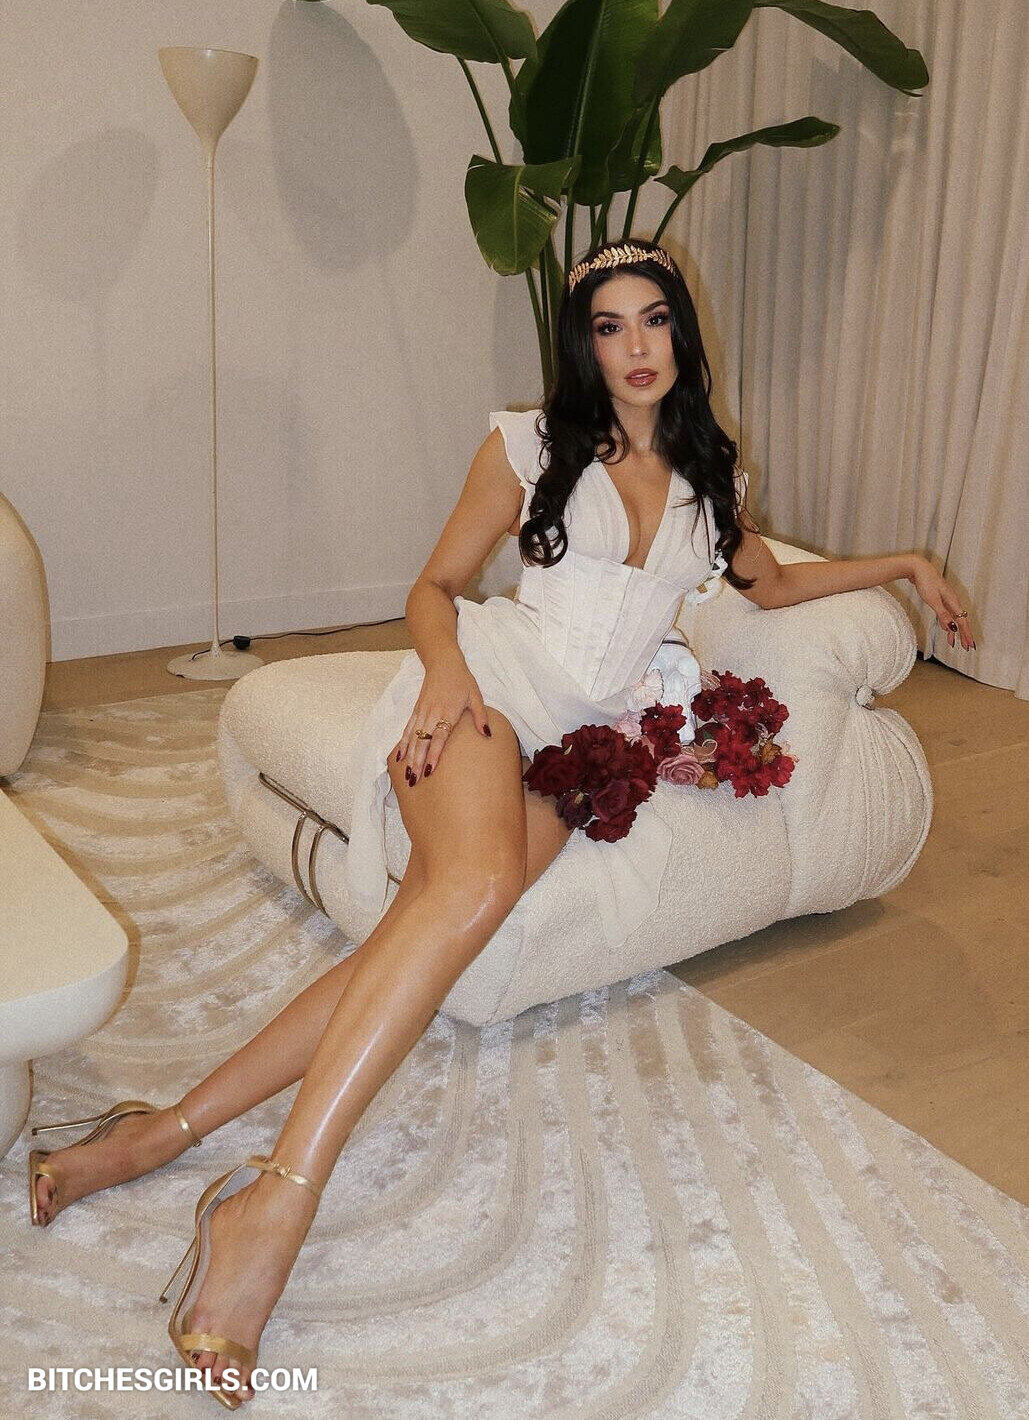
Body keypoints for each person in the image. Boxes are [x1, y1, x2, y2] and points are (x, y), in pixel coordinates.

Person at [26, 238, 976, 1406]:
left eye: (655, 320)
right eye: (610, 326)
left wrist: (908, 562)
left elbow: (771, 586)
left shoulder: (708, 480)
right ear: (585, 344)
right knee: (473, 891)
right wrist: (442, 677)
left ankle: (164, 1130)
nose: (636, 346)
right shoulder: (529, 445)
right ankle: (272, 1204)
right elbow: (431, 587)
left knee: (415, 937)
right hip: (486, 693)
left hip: (582, 750)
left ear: (682, 334)